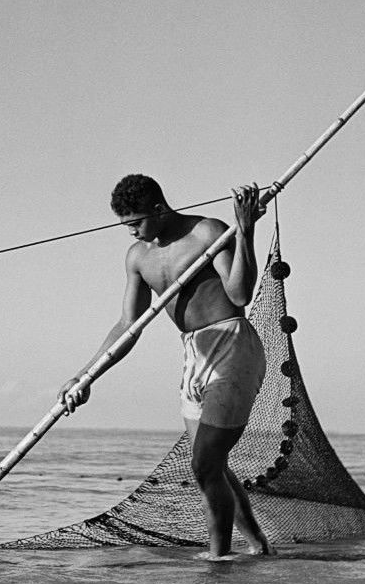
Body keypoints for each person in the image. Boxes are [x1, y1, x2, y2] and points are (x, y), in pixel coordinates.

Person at [58, 174, 279, 560]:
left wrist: (245, 232)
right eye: (125, 226)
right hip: (194, 355)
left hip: (231, 346)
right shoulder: (138, 257)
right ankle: (259, 546)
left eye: (136, 223)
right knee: (213, 466)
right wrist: (86, 374)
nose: (131, 233)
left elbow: (240, 295)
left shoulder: (207, 232)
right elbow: (129, 325)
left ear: (159, 209)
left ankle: (218, 561)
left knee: (204, 463)